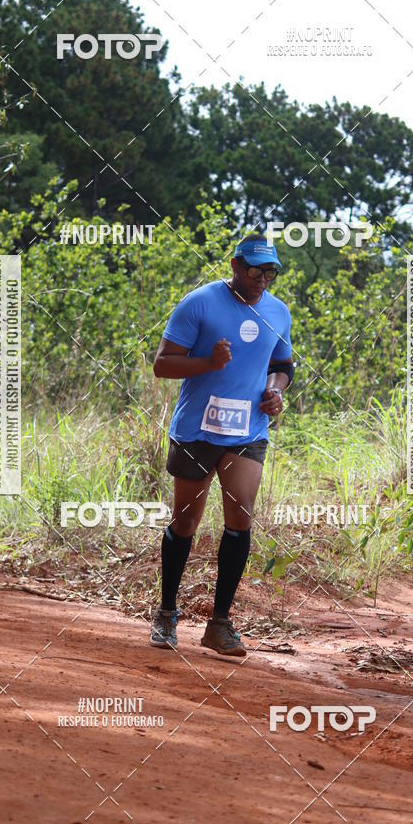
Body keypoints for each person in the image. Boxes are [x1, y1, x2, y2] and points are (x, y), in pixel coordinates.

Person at [150, 232, 294, 656]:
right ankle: (167, 613)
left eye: (270, 272)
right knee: (185, 523)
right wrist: (209, 363)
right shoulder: (199, 303)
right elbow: (162, 365)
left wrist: (275, 390)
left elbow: (283, 365)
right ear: (235, 266)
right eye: (254, 271)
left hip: (248, 432)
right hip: (197, 431)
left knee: (240, 518)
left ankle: (219, 624)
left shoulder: (278, 311)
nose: (261, 279)